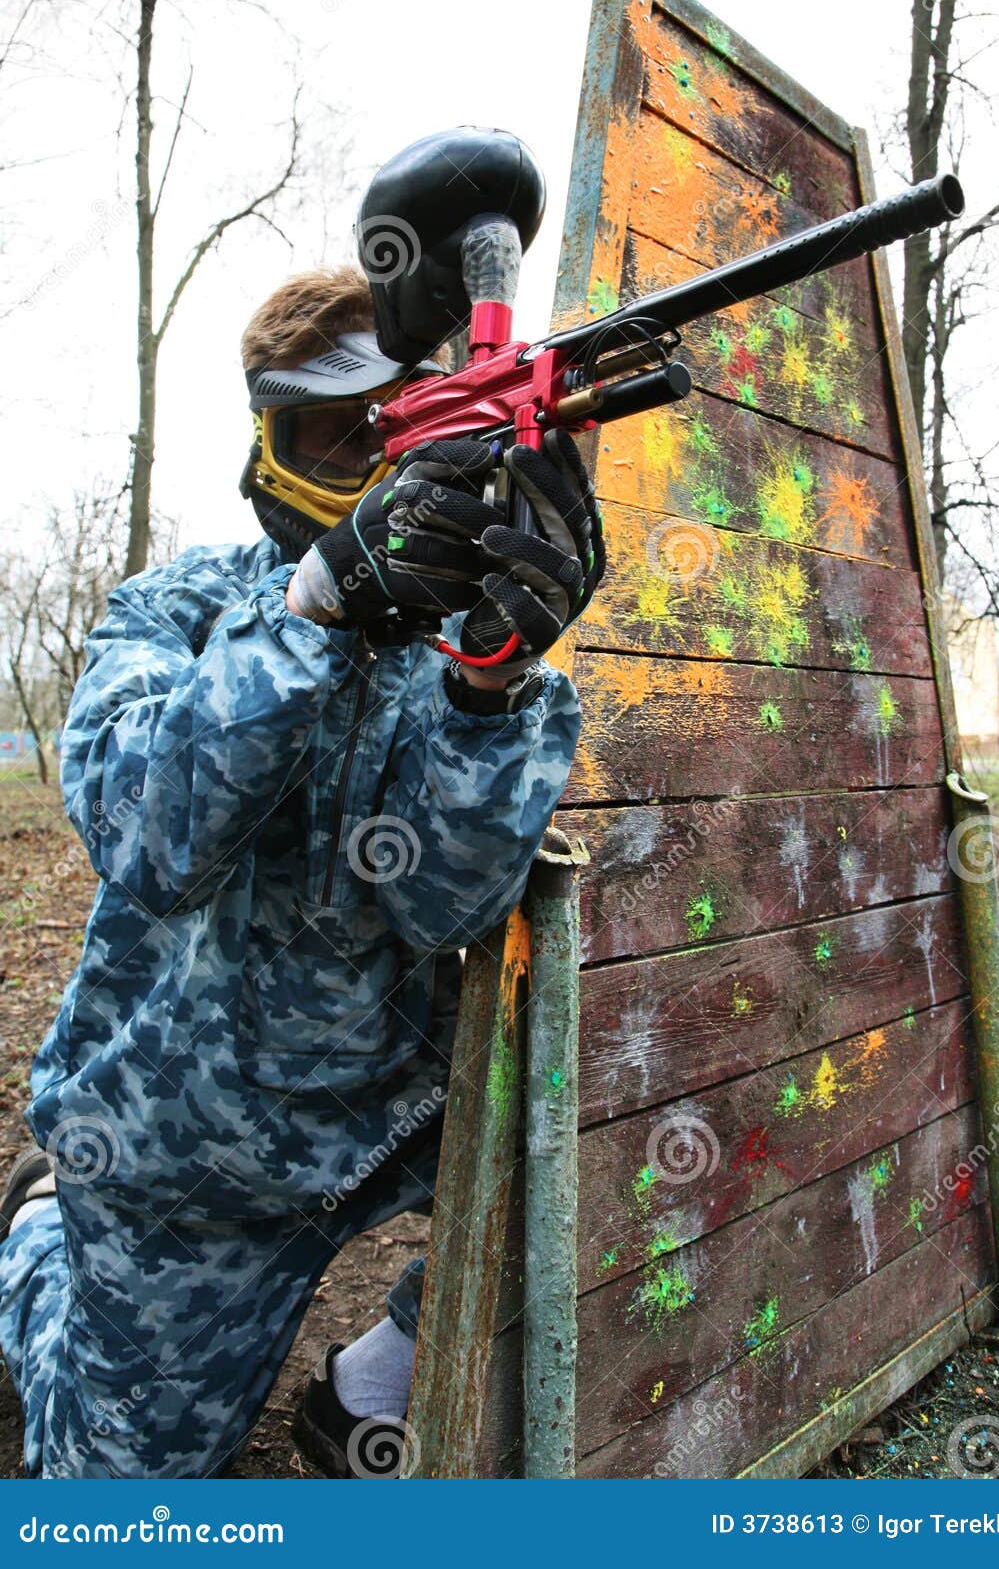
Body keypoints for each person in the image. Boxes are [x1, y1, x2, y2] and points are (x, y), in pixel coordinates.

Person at [0, 262, 605, 1478]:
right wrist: (318, 602)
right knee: (120, 1499)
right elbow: (149, 836)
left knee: (618, 1142)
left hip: (400, 1111)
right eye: (337, 439)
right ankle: (36, 1234)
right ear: (269, 445)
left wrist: (486, 687)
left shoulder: (466, 648)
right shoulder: (171, 611)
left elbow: (443, 897)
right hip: (186, 1159)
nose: (381, 473)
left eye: (407, 431)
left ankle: (372, 1384)